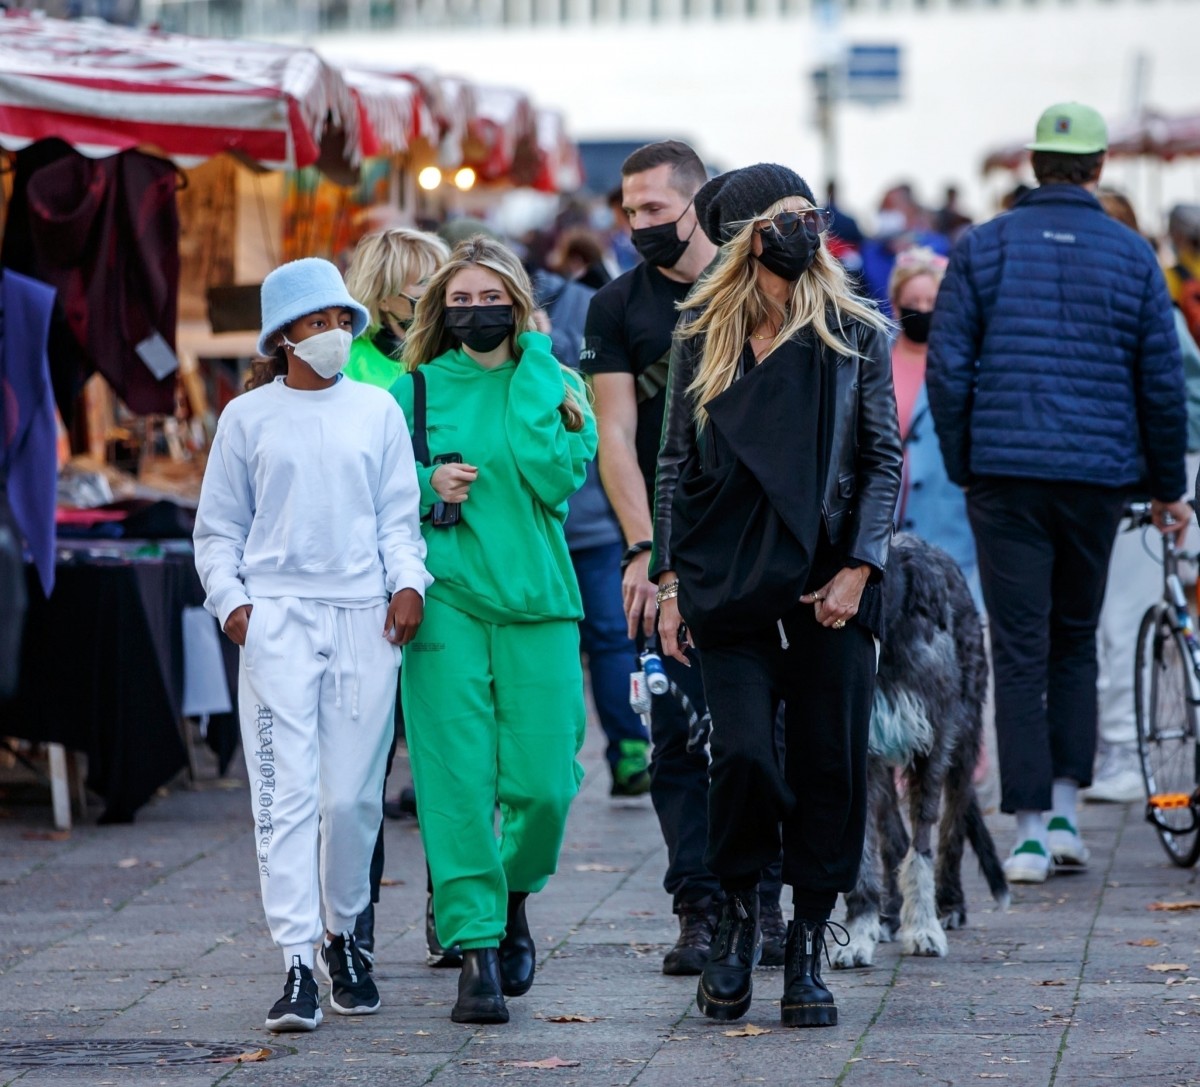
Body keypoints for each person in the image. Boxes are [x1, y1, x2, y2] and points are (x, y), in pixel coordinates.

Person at [652, 163, 901, 1027]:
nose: (809, 229)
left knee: (830, 764)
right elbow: (676, 465)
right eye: (790, 216)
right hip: (728, 584)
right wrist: (673, 581)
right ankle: (731, 916)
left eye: (813, 214)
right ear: (749, 234)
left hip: (829, 581)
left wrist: (860, 567)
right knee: (747, 756)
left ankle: (807, 940)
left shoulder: (854, 330)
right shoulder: (704, 331)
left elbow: (881, 460)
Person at [927, 102, 1189, 884]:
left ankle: (1032, 830)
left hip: (1005, 474)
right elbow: (1161, 381)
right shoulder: (1132, 251)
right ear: (1099, 167)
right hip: (1098, 478)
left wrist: (966, 459)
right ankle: (1070, 813)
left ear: (1032, 165)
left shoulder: (983, 246)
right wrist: (1167, 484)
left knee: (1018, 645)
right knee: (1075, 636)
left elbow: (947, 369)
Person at [193, 258, 431, 1032]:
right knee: (283, 798)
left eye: (339, 320)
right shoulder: (247, 416)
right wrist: (236, 607)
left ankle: (343, 937)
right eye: (316, 322)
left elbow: (401, 515)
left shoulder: (378, 410)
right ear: (284, 334)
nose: (332, 333)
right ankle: (296, 959)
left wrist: (409, 584)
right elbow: (218, 528)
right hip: (279, 622)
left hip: (365, 617)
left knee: (353, 798)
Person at [582, 140, 790, 977]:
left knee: (764, 733)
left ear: (697, 207)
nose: (638, 227)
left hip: (761, 550)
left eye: (654, 211)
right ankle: (698, 906)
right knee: (674, 731)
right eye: (628, 213)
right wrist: (643, 549)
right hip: (671, 548)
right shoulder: (617, 307)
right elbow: (619, 438)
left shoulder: (750, 290)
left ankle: (766, 898)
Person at [391, 236, 596, 1025]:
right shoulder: (411, 392)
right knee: (455, 783)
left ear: (519, 303)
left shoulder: (556, 381)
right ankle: (475, 948)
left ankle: (513, 903)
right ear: (441, 307)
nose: (476, 313)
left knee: (544, 785)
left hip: (540, 603)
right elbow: (372, 492)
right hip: (447, 604)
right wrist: (423, 481)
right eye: (461, 300)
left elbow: (553, 476)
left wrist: (538, 357)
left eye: (492, 299)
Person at [342, 225, 456, 969]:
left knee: (450, 759)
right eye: (415, 285)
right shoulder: (347, 368)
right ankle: (355, 918)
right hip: (367, 584)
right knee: (364, 764)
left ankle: (453, 910)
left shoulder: (456, 362)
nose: (424, 300)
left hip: (446, 574)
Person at [1086, 190, 1200, 803]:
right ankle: (1112, 750)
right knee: (1105, 622)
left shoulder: (1147, 299)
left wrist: (1171, 485)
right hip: (1113, 478)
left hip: (1136, 483)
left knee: (1121, 620)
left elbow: (1181, 400)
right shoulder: (1143, 294)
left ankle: (1127, 754)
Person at [531, 260, 652, 797]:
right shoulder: (592, 306)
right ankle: (623, 749)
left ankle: (624, 749)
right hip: (587, 523)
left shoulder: (584, 313)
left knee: (599, 640)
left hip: (576, 525)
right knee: (607, 640)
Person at [887, 246, 981, 605]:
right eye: (914, 300)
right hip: (888, 529)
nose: (923, 309)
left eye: (932, 300)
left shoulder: (967, 364)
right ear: (896, 304)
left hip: (951, 525)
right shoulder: (874, 359)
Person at [343, 227, 450, 390]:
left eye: (439, 279)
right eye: (423, 282)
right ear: (383, 298)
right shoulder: (350, 362)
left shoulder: (455, 349)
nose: (435, 290)